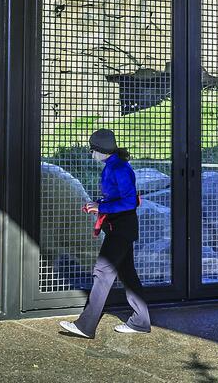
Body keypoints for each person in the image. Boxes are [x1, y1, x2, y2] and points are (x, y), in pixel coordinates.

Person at [58, 129, 151, 338]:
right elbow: (117, 198)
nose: (91, 155)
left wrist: (102, 208)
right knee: (127, 275)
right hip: (118, 227)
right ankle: (141, 321)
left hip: (122, 228)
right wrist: (98, 204)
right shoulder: (114, 165)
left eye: (93, 151)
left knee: (102, 271)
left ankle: (85, 326)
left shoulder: (119, 168)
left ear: (102, 151)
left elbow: (128, 202)